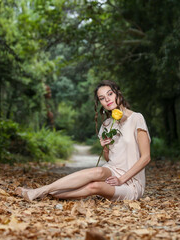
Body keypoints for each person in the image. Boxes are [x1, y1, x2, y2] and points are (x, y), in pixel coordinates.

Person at [16, 80, 151, 201]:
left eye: (110, 94)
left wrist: (121, 179)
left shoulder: (136, 118)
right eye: (102, 98)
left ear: (118, 93)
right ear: (100, 103)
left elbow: (146, 158)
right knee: (98, 171)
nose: (107, 100)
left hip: (131, 182)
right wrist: (105, 147)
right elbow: (110, 158)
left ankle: (38, 192)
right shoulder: (107, 124)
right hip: (112, 171)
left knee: (94, 187)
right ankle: (40, 192)